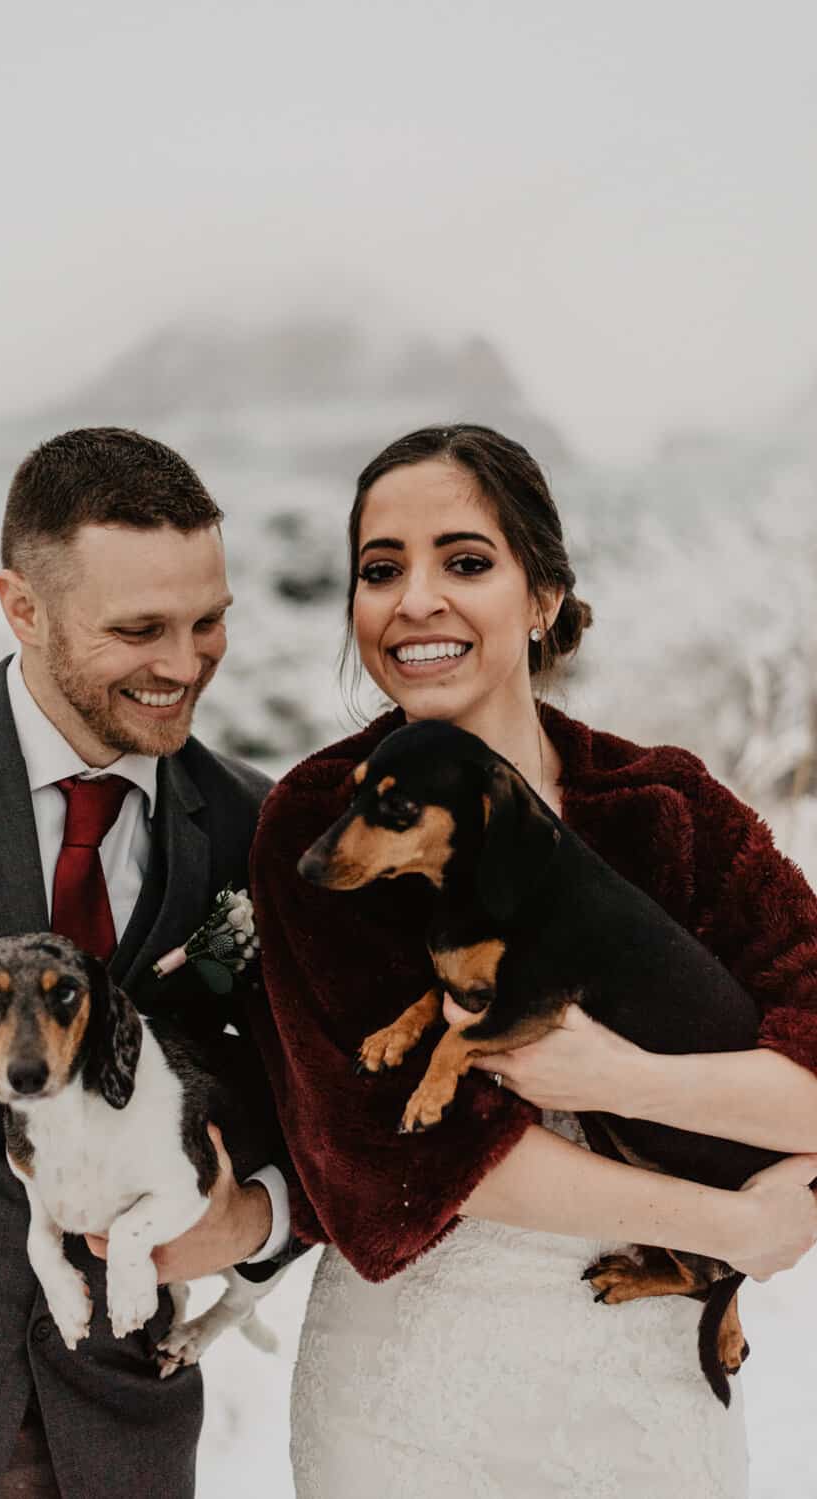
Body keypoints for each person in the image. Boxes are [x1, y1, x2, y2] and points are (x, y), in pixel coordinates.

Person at [247, 424, 817, 1498]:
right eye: (380, 569)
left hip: (646, 1400)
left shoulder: (664, 805)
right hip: (408, 1403)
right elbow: (403, 1159)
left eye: (465, 560)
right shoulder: (320, 830)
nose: (414, 598)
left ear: (542, 593)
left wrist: (620, 1079)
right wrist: (738, 1224)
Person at [0, 427, 294, 1499]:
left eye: (208, 621)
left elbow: (314, 1117)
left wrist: (251, 1213)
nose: (184, 664)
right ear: (22, 607)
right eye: (140, 628)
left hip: (123, 1432)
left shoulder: (257, 829)